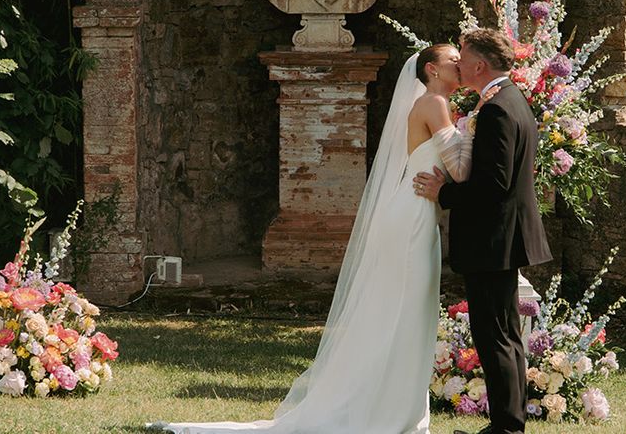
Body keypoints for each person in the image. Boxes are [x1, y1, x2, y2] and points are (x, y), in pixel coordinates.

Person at [148, 44, 471, 434]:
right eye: (455, 60)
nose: (462, 66)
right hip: (412, 219)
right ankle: (386, 411)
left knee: (409, 311)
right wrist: (477, 130)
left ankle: (399, 408)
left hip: (415, 211)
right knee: (402, 310)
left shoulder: (433, 102)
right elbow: (458, 169)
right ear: (433, 70)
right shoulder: (434, 103)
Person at [413, 27, 551, 434]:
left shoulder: (496, 109)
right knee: (504, 335)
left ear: (478, 65)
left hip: (494, 240)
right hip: (503, 238)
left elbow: (495, 182)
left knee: (495, 337)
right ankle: (507, 425)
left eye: (463, 58)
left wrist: (445, 192)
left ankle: (506, 429)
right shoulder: (510, 100)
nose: (457, 64)